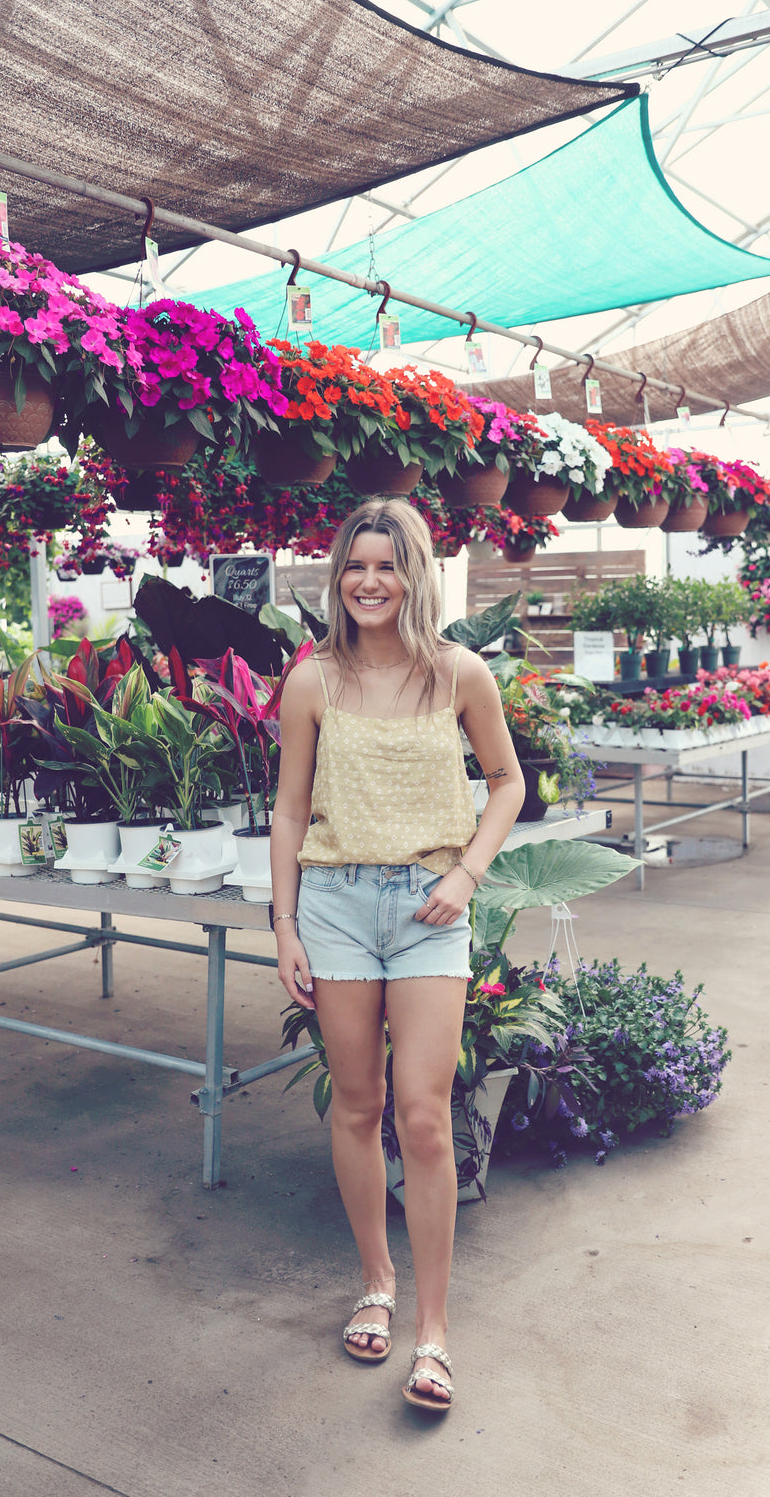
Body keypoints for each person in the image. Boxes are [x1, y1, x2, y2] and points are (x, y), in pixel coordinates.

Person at [271, 496, 524, 1413]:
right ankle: (374, 1282)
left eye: (388, 565)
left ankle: (434, 1333)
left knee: (422, 1116)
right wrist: (287, 924)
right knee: (357, 1103)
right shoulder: (313, 680)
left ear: (415, 575)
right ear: (339, 578)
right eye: (355, 566)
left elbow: (506, 781)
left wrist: (467, 873)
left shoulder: (460, 674)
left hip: (427, 909)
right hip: (335, 907)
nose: (370, 581)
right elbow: (291, 810)